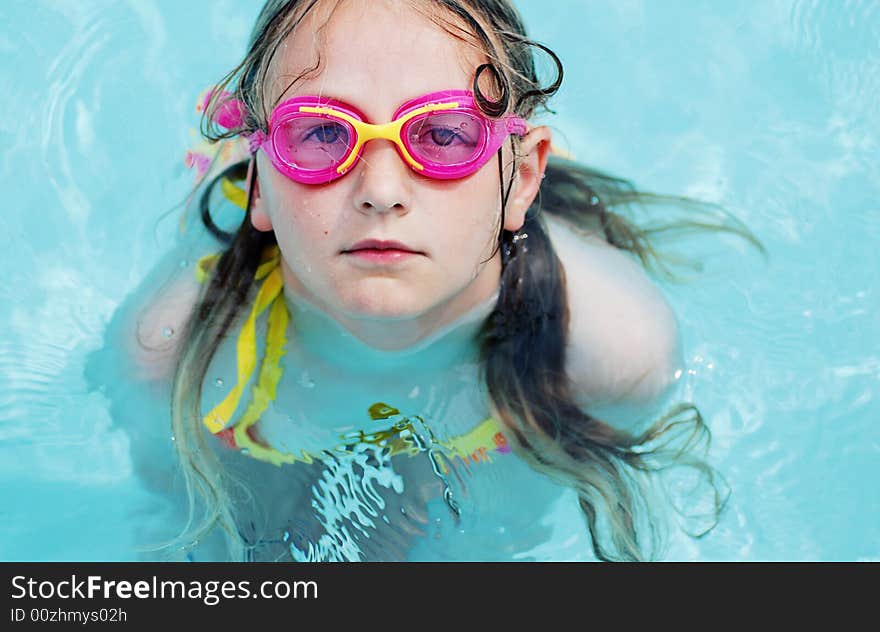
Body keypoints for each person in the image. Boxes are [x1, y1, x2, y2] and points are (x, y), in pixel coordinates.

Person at [98, 0, 762, 562]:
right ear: (260, 188)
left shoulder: (612, 350)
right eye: (324, 132)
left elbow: (516, 532)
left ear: (522, 179)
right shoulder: (171, 357)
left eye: (442, 134)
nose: (381, 190)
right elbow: (175, 526)